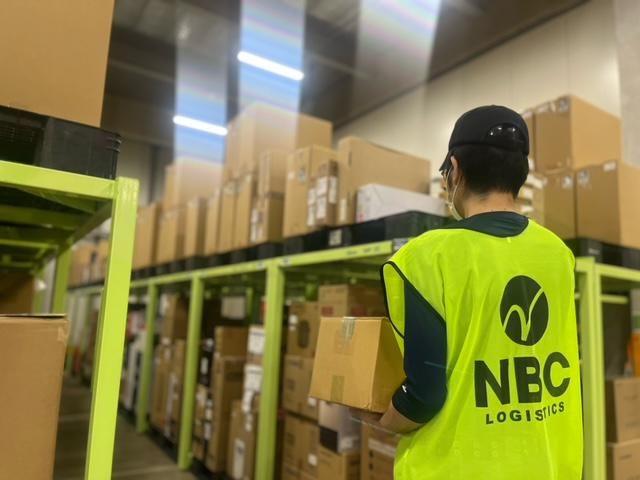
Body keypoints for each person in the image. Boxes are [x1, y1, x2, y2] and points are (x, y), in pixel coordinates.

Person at [374, 106, 583, 479]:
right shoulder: (557, 254)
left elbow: (424, 394)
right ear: (520, 174)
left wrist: (382, 420)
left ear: (455, 170)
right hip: (548, 466)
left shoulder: (427, 257)